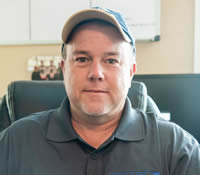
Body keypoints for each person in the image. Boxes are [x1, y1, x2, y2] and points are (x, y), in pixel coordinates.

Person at [0, 7, 200, 175]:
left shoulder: (175, 148)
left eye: (111, 60)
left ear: (131, 72)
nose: (96, 73)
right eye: (82, 59)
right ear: (64, 69)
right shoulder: (14, 143)